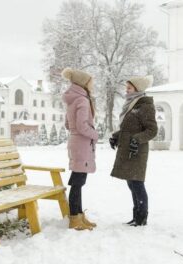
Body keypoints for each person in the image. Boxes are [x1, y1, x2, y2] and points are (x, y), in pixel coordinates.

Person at [109, 76, 158, 226]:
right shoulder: (131, 105)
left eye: (129, 88)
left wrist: (137, 139)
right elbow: (127, 128)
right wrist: (116, 137)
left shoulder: (145, 106)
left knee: (137, 183)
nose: (126, 90)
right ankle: (136, 216)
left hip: (137, 151)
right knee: (131, 183)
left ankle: (141, 217)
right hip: (128, 149)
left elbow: (152, 130)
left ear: (137, 89)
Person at [61, 67, 98, 231]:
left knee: (78, 181)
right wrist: (95, 134)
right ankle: (75, 219)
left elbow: (68, 124)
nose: (93, 85)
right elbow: (83, 126)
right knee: (77, 182)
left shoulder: (73, 99)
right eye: (91, 82)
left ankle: (79, 215)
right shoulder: (82, 100)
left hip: (75, 142)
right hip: (82, 144)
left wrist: (79, 131)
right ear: (84, 83)